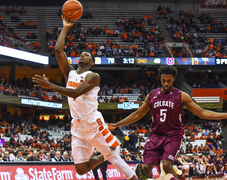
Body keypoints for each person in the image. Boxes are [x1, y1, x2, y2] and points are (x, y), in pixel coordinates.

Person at [32, 15, 136, 180]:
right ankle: (108, 153)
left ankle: (131, 173)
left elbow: (75, 93)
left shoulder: (92, 76)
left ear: (91, 62)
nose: (82, 55)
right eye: (81, 54)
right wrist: (65, 28)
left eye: (87, 55)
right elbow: (59, 51)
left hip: (94, 122)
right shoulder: (70, 73)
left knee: (115, 159)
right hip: (78, 127)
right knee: (81, 169)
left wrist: (50, 86)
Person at [108, 65, 227, 180]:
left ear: (174, 79)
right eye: (163, 80)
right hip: (155, 136)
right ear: (159, 78)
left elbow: (202, 112)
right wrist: (117, 124)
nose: (166, 83)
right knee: (146, 169)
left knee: (166, 165)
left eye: (169, 81)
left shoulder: (181, 96)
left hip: (173, 136)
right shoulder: (152, 95)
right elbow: (138, 114)